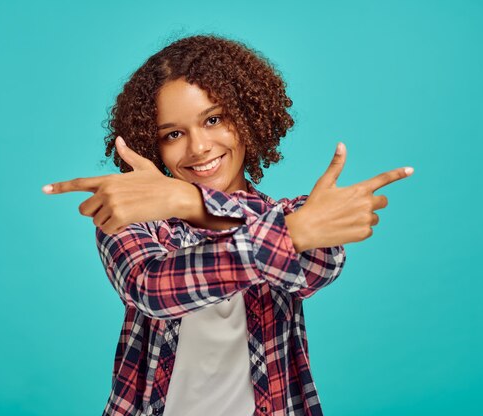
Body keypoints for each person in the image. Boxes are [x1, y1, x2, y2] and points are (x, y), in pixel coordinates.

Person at [42, 34, 413, 416]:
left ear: (247, 117)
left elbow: (321, 266)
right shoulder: (127, 217)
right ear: (152, 145)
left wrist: (191, 201)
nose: (198, 147)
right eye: (173, 134)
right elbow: (151, 288)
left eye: (214, 119)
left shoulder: (286, 213)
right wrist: (289, 234)